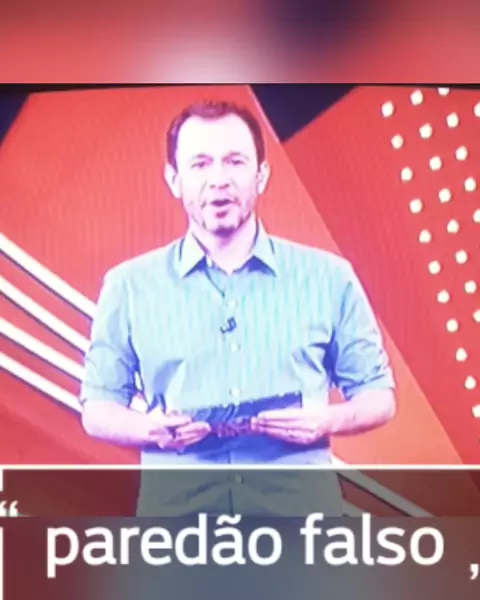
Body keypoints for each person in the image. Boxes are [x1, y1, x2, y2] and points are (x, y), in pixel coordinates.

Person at [80, 100, 396, 516]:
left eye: (235, 161)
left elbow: (378, 396)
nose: (219, 180)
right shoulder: (128, 286)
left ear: (261, 175)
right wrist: (149, 429)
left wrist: (326, 420)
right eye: (200, 164)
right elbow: (98, 408)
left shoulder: (328, 277)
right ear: (174, 179)